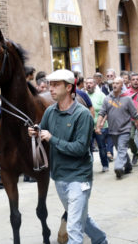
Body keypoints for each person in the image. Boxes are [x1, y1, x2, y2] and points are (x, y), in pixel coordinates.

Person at [28, 69, 107, 244]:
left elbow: (79, 149)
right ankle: (100, 239)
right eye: (50, 85)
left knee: (73, 227)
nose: (51, 89)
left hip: (79, 177)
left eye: (56, 85)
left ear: (69, 87)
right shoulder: (50, 111)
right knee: (78, 217)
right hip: (59, 176)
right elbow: (42, 130)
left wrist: (51, 138)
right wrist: (35, 131)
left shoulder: (83, 114)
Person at [96, 77, 138, 179]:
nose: (115, 85)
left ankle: (118, 167)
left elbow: (135, 115)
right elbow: (101, 113)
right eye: (114, 83)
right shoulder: (107, 99)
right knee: (120, 149)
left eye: (117, 83)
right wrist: (98, 126)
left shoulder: (127, 98)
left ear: (122, 85)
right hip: (113, 130)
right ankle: (128, 166)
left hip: (125, 129)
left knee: (121, 148)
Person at [86, 77, 109, 172]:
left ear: (95, 84)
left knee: (102, 147)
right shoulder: (84, 95)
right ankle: (89, 167)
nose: (88, 85)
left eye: (90, 83)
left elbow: (107, 110)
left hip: (101, 126)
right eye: (87, 83)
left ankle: (105, 165)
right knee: (88, 148)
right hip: (88, 127)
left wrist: (103, 122)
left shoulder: (101, 95)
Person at [123, 73, 138, 167]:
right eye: (133, 79)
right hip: (130, 119)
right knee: (130, 138)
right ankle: (135, 153)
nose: (135, 81)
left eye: (137, 79)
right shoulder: (126, 93)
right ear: (130, 81)